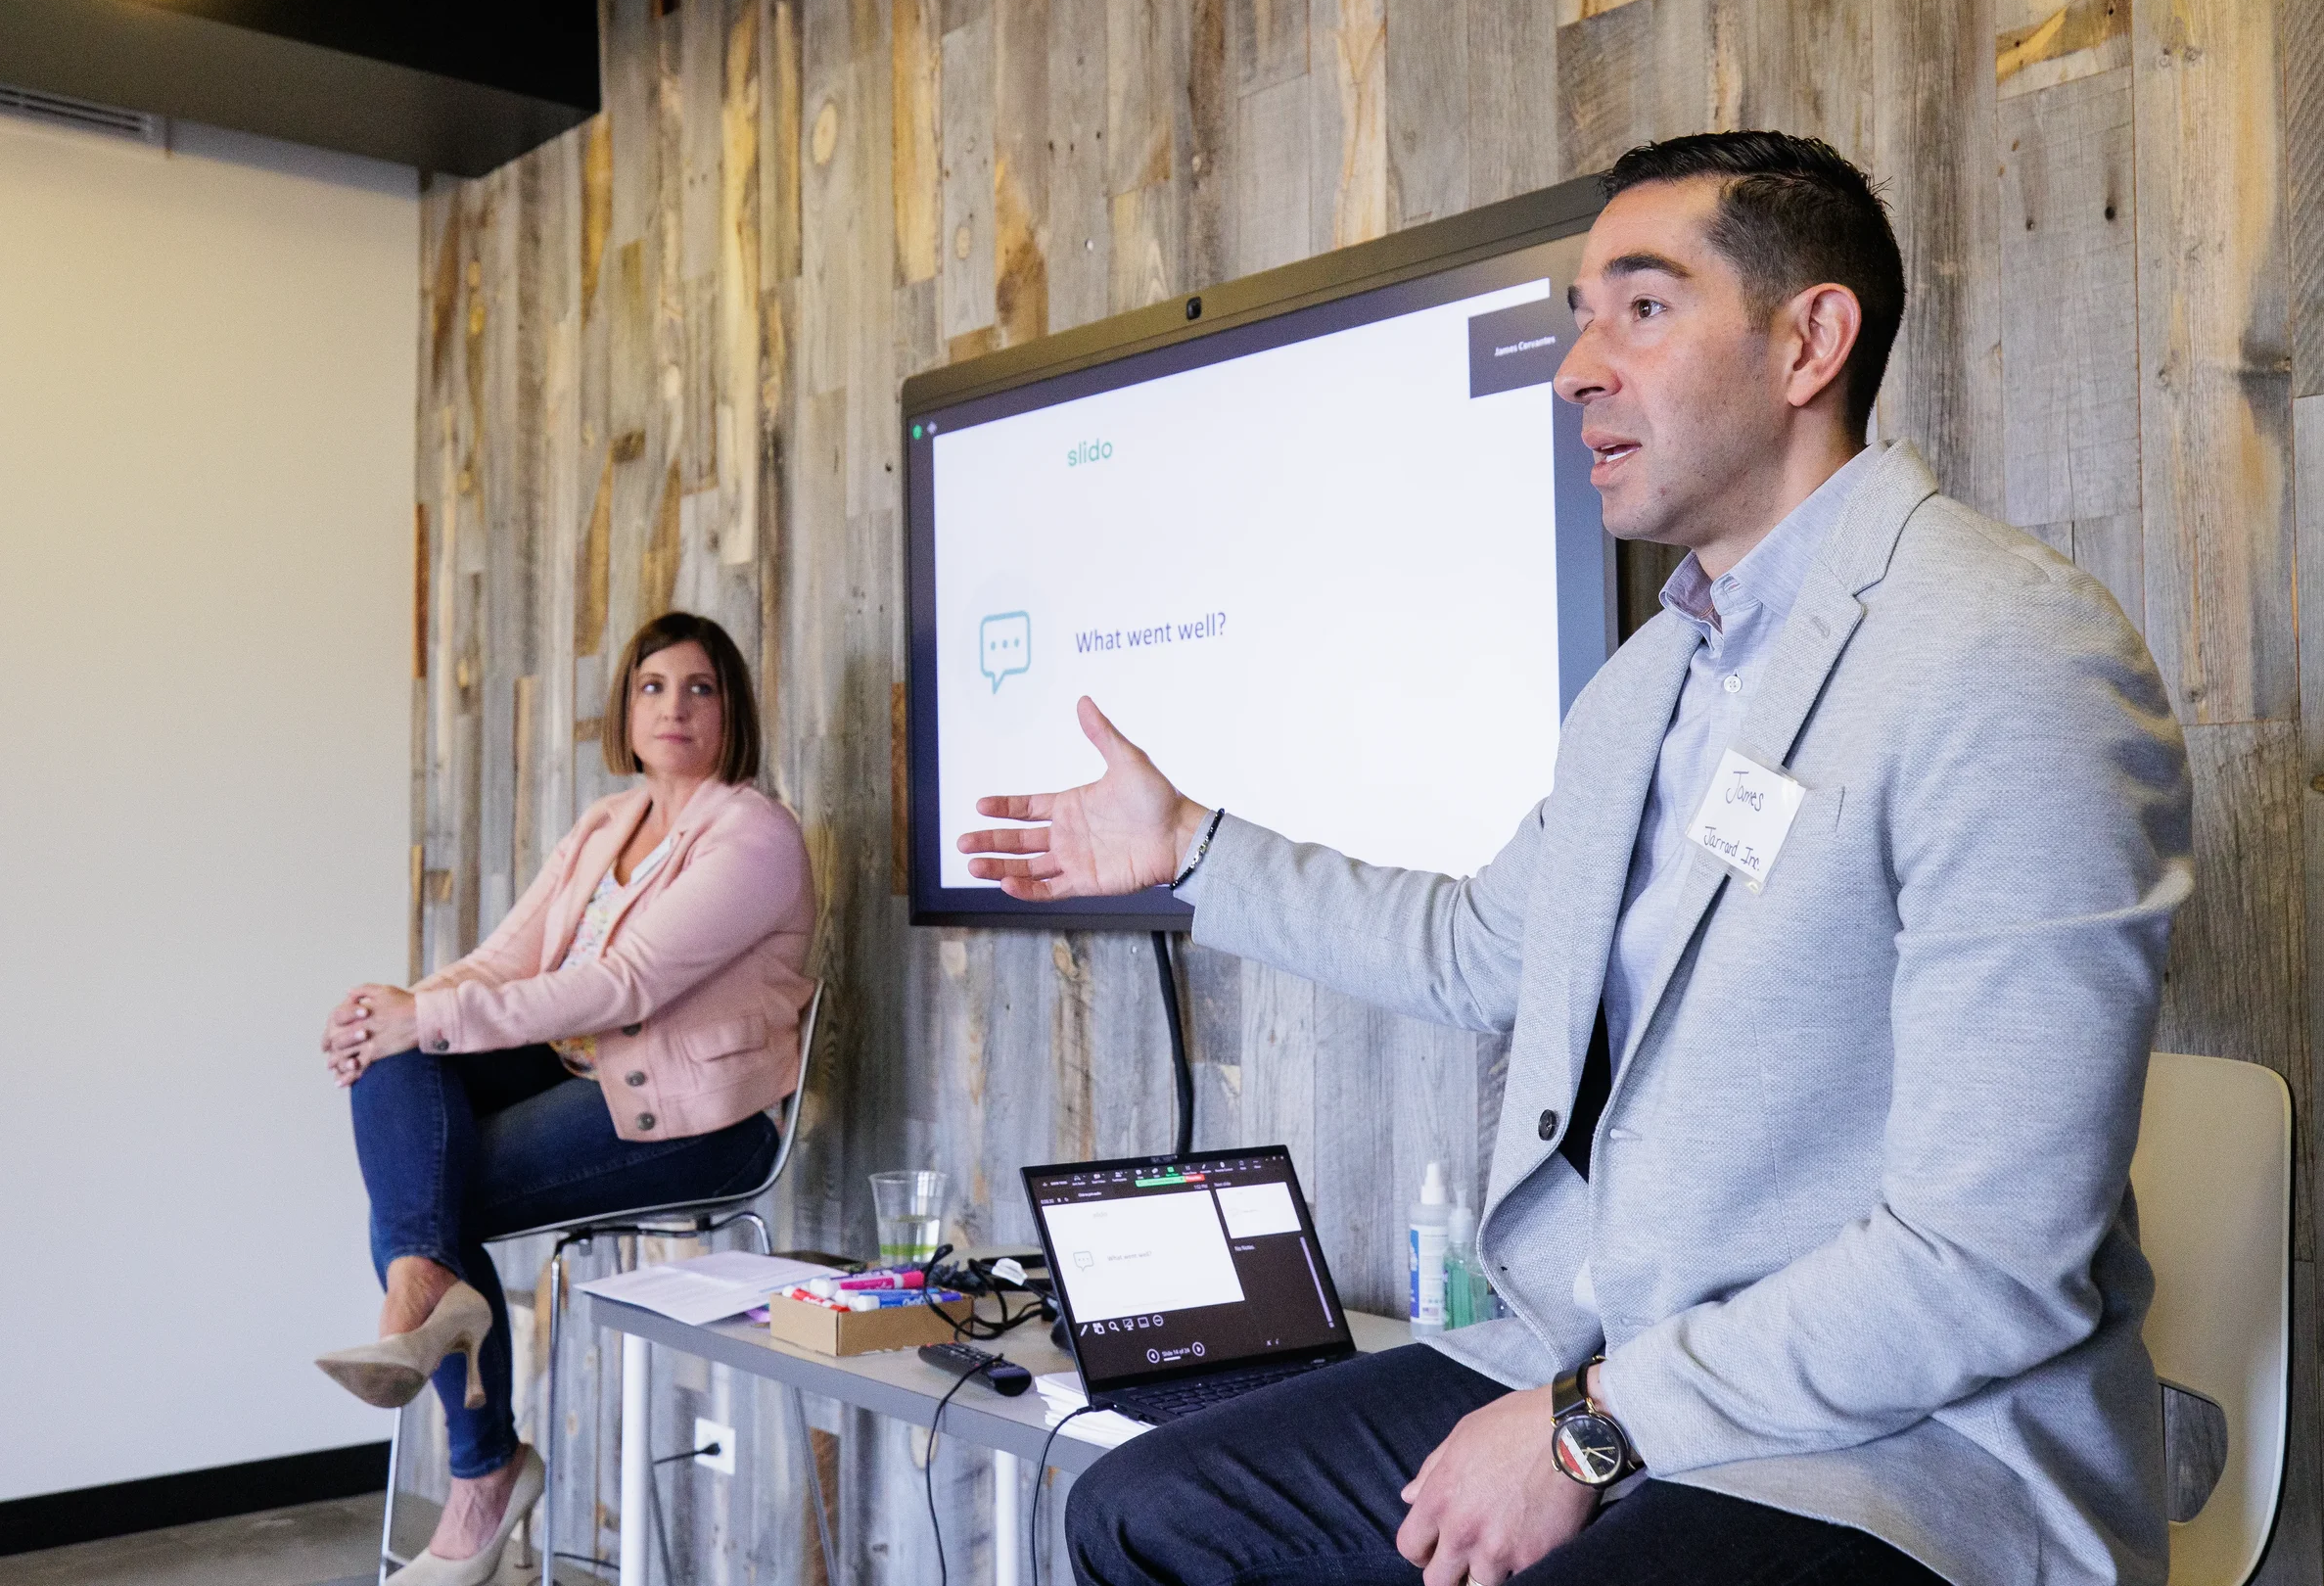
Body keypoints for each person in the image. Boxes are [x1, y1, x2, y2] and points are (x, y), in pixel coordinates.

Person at [960, 132, 2191, 1586]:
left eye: (1643, 308)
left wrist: (1580, 1433)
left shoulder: (2007, 654)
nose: (1576, 369)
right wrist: (1188, 846)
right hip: (1592, 1355)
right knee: (1144, 1506)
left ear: (1811, 338)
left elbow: (1986, 1260)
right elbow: (1478, 949)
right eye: (1581, 315)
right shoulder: (1649, 682)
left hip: (1897, 1451)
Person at [316, 611, 817, 1586]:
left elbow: (621, 984)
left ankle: (479, 1464)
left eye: (700, 687)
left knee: (426, 1186)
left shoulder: (753, 837)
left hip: (696, 1116)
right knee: (398, 1064)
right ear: (625, 709)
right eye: (653, 685)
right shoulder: (609, 823)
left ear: (732, 711)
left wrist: (427, 1015)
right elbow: (507, 959)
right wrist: (400, 1010)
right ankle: (428, 1286)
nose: (674, 705)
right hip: (584, 1074)